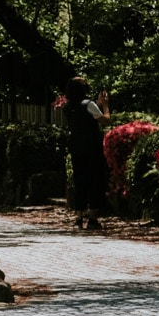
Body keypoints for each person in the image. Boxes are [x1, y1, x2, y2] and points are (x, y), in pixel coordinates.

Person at [58, 77, 111, 230]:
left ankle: (79, 216)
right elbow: (105, 121)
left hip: (76, 148)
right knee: (95, 180)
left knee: (80, 181)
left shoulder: (68, 107)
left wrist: (97, 105)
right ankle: (93, 217)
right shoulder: (89, 104)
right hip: (92, 149)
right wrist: (105, 106)